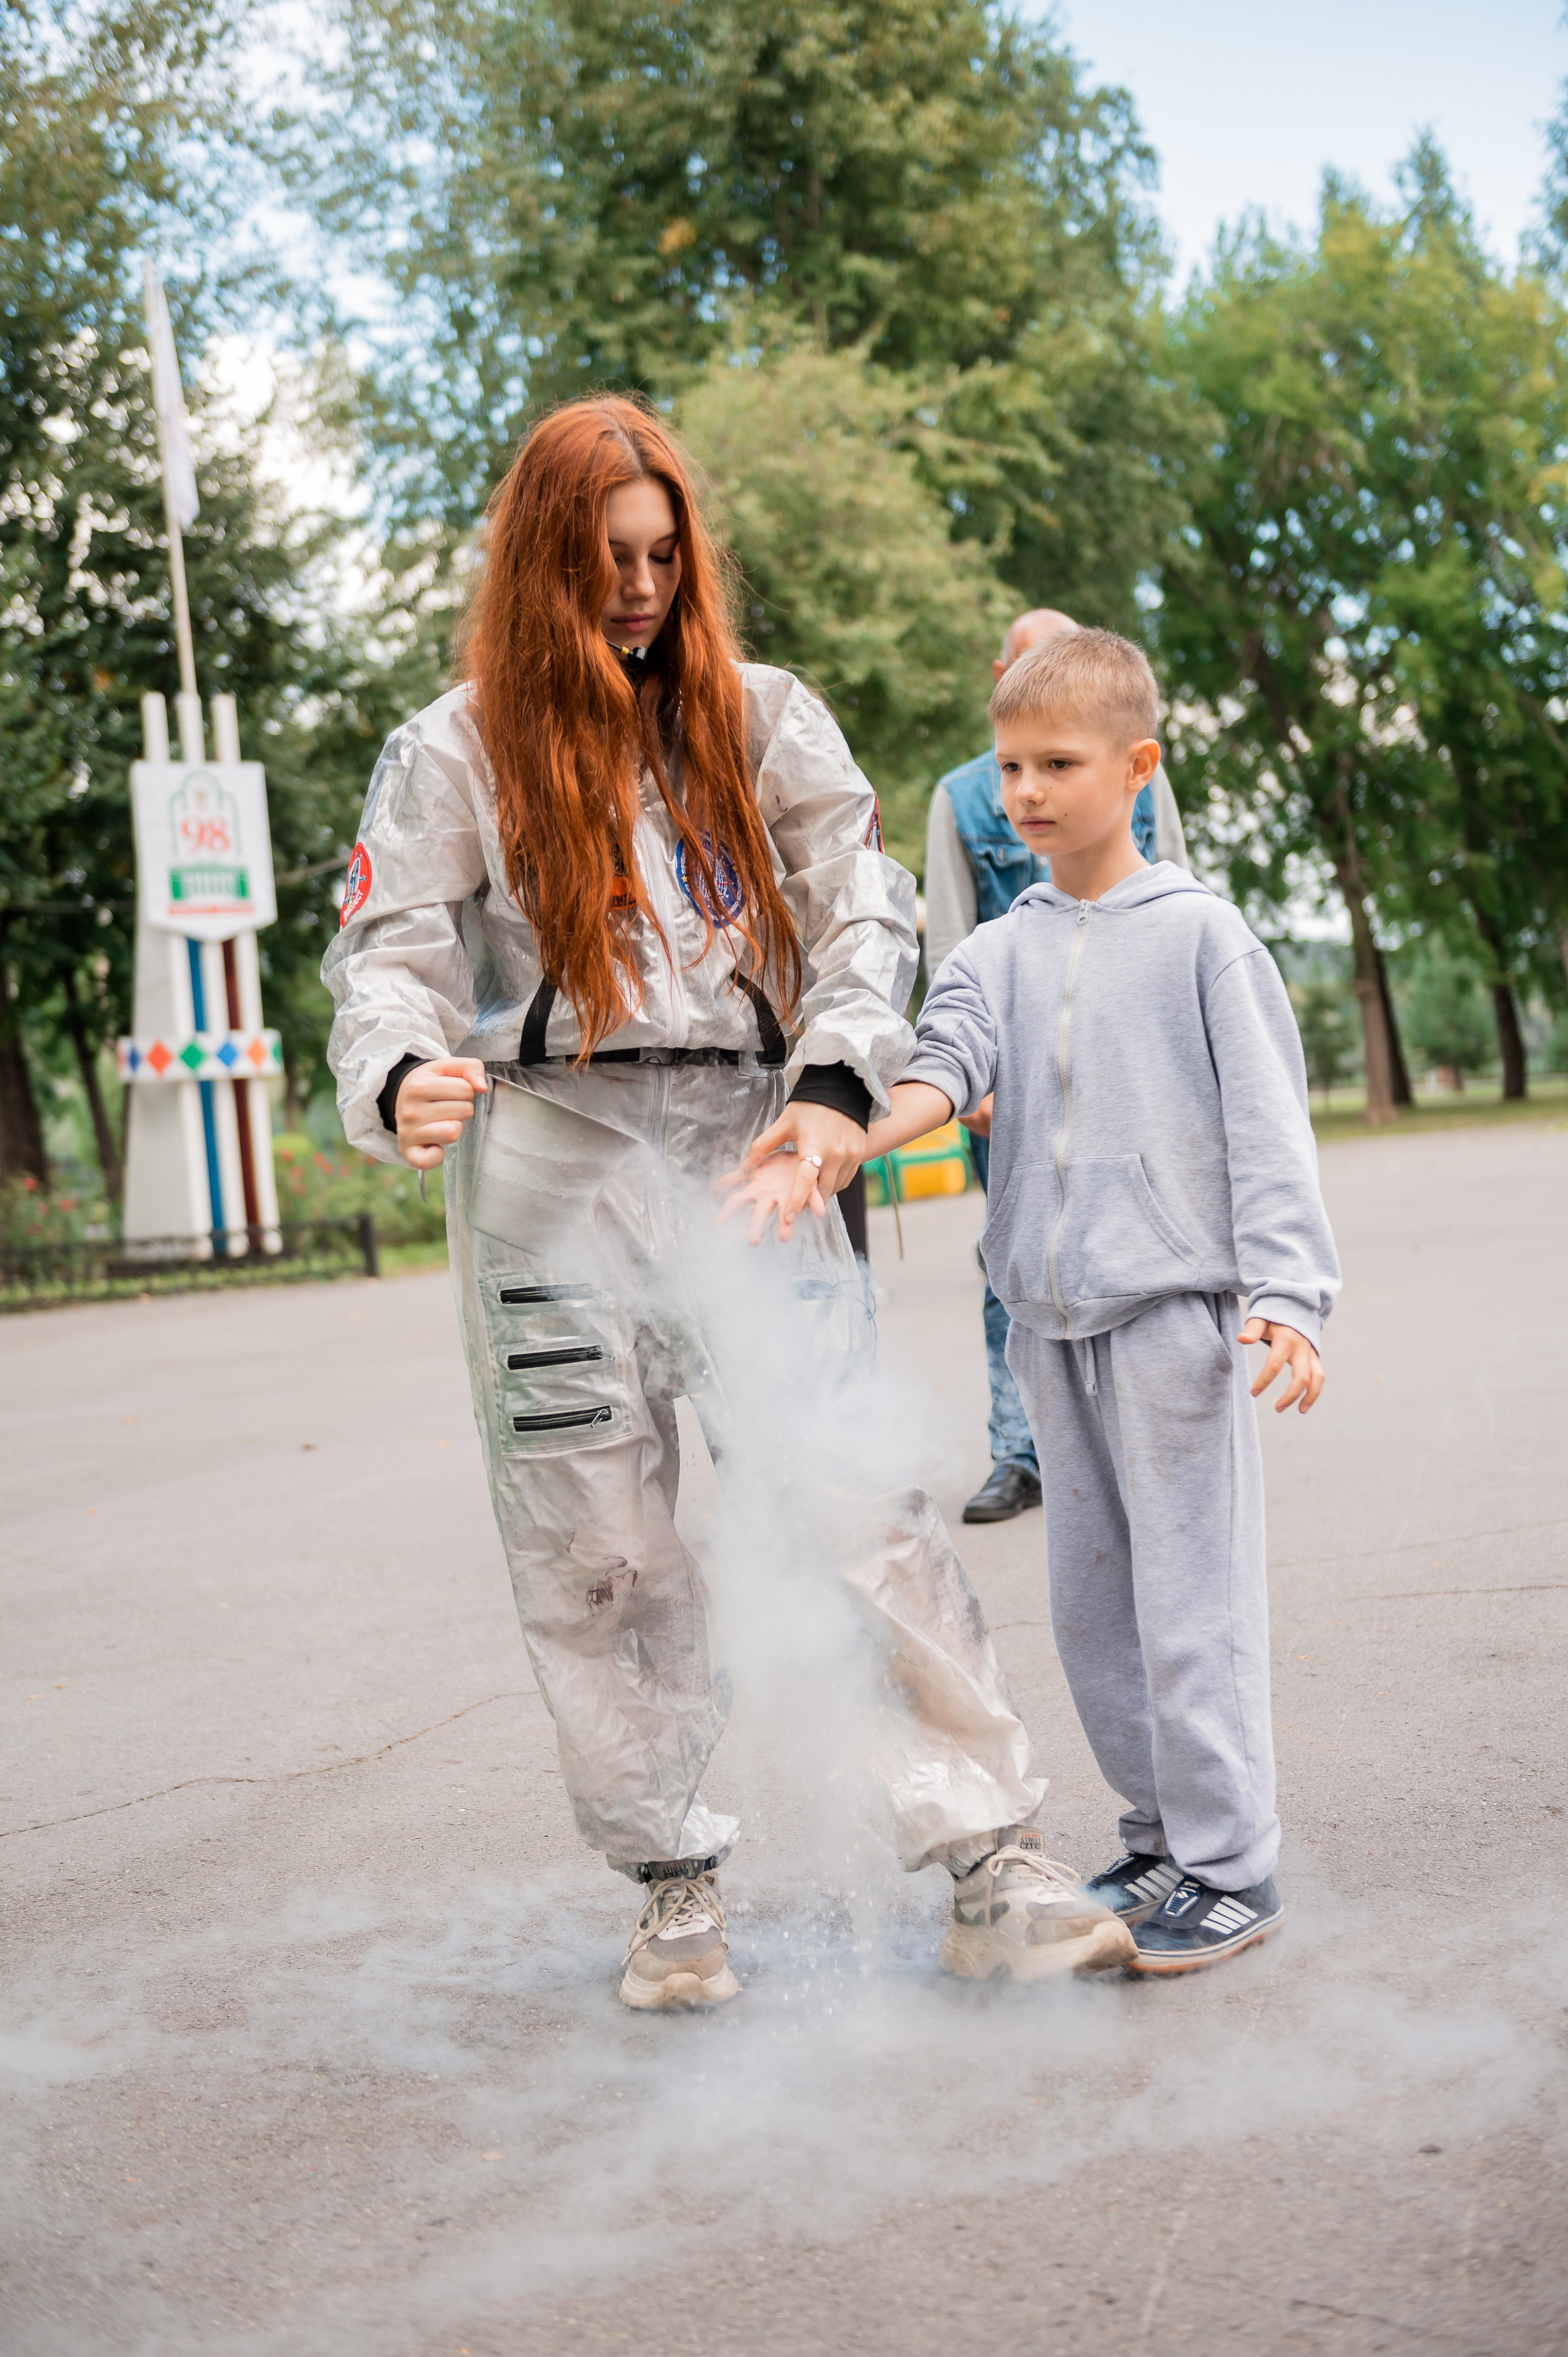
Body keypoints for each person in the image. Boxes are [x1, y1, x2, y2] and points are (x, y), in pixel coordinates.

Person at [323, 395, 1134, 2007]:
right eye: (607, 558)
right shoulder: (453, 748)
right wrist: (399, 1068)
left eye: (660, 554)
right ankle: (672, 1877)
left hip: (756, 1145)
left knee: (859, 1500)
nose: (638, 586)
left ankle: (989, 1857)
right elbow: (386, 954)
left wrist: (837, 1087)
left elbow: (863, 911)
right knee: (592, 1537)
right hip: (550, 1162)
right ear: (546, 562)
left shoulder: (765, 721)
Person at [732, 627, 1339, 1973]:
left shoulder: (1199, 936)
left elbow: (1266, 1128)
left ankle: (1232, 1864)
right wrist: (836, 1134)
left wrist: (1289, 1294)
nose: (1024, 791)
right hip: (1050, 1328)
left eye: (1057, 763)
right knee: (1091, 1611)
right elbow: (939, 1072)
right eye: (1008, 764)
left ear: (1136, 767)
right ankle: (1156, 1835)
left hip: (1173, 1324)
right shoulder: (999, 949)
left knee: (1192, 1608)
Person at [924, 608, 1190, 1526]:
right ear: (1000, 679)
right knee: (1019, 1258)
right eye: (1015, 760)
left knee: (1141, 1241)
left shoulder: (1135, 776)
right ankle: (1020, 1448)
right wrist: (972, 1074)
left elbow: (1179, 893)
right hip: (1013, 1083)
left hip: (1125, 1067)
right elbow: (954, 937)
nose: (1030, 786)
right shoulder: (963, 797)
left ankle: (1141, 1427)